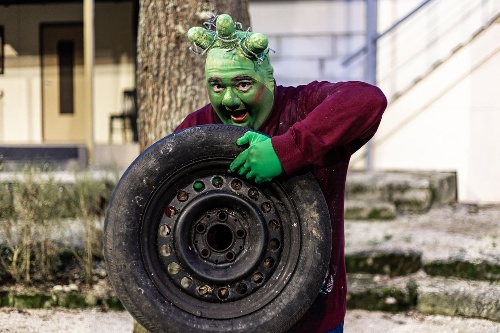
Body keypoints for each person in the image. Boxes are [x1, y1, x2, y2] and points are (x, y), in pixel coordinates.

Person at [175, 14, 387, 333]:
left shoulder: (304, 108)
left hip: (313, 316)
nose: (229, 99)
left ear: (268, 79)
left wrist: (287, 150)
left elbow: (369, 100)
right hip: (226, 314)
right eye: (217, 85)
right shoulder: (197, 128)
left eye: (243, 84)